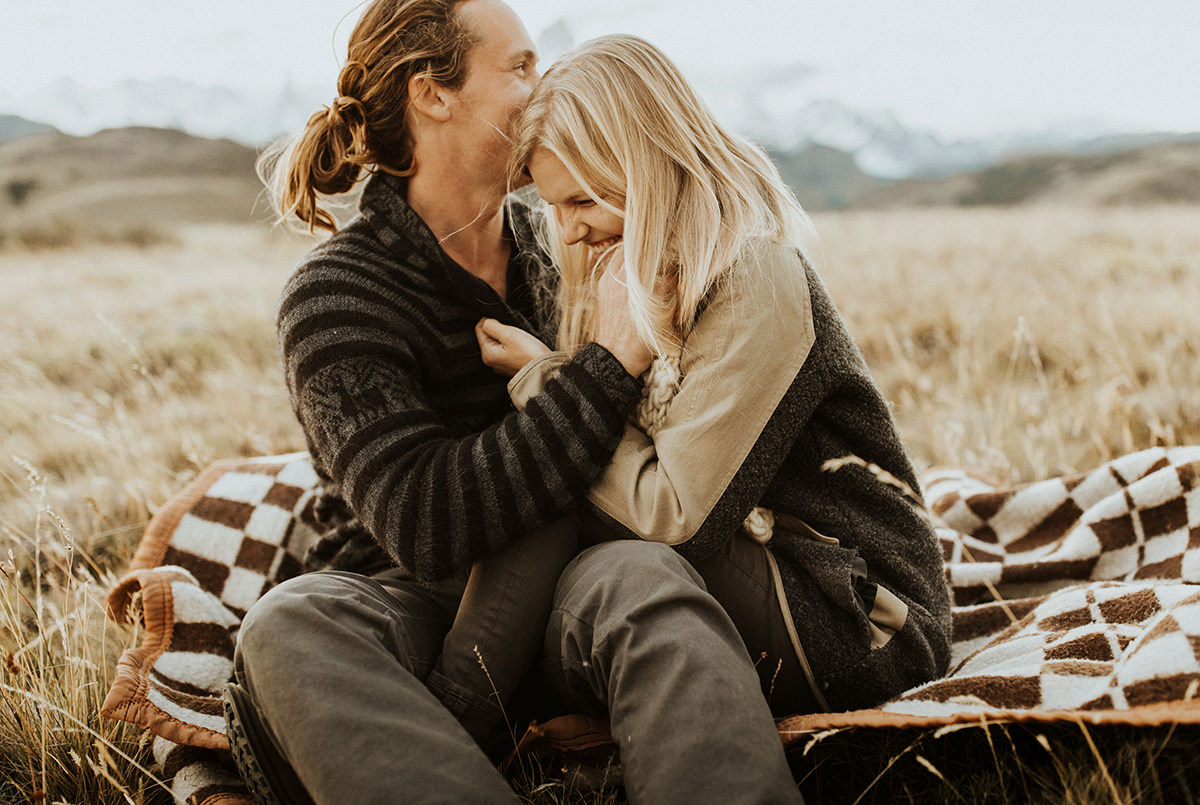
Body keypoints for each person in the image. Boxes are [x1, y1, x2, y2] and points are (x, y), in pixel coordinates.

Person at [225, 0, 816, 802]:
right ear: (432, 93)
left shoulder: (571, 241)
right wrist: (602, 368)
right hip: (423, 605)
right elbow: (423, 519)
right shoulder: (337, 296)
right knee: (290, 623)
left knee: (648, 573)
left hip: (584, 580)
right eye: (521, 67)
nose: (543, 85)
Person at [470, 31, 955, 749]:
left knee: (561, 476)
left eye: (582, 201)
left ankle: (458, 708)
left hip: (853, 617)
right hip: (753, 571)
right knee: (562, 487)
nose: (567, 232)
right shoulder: (636, 278)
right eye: (554, 207)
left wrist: (551, 383)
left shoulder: (756, 276)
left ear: (645, 170)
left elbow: (676, 518)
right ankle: (488, 702)